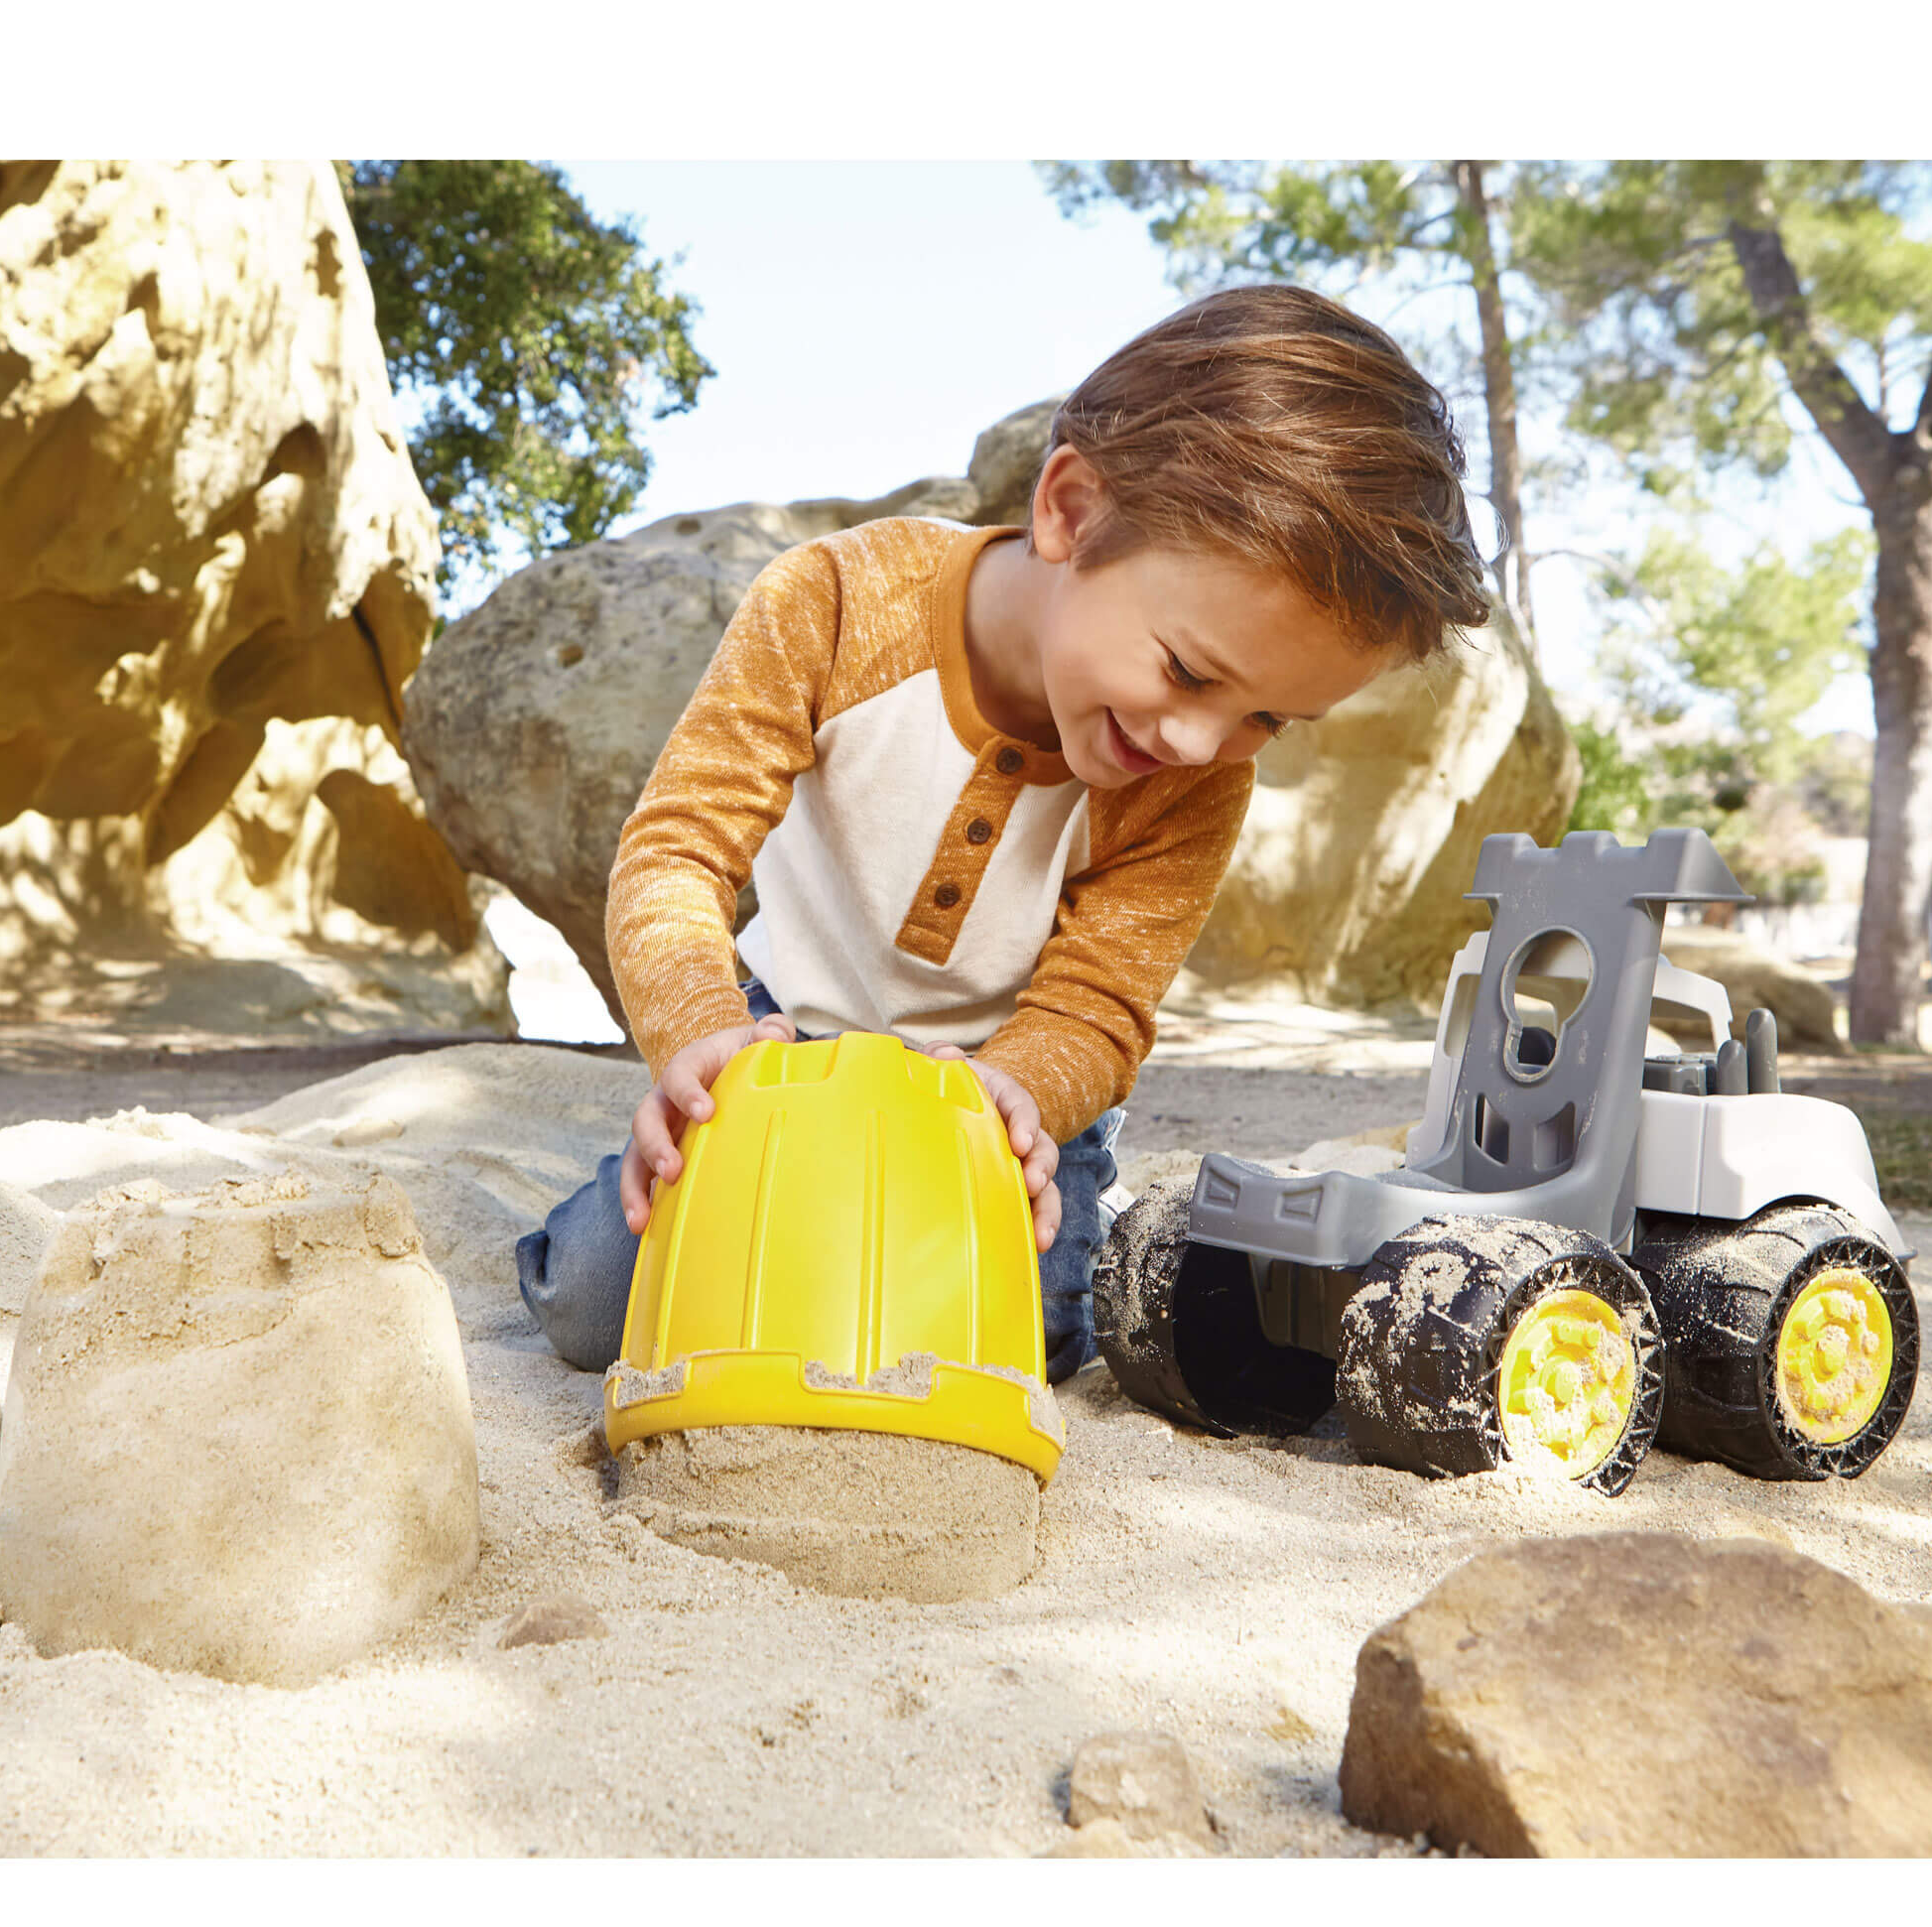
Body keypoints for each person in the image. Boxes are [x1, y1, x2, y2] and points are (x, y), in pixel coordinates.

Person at [517, 283, 1492, 1382]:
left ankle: (1092, 1206)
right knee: (594, 1304)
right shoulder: (835, 603)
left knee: (1025, 1339)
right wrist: (701, 1034)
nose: (1198, 741)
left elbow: (1098, 1003)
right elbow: (677, 850)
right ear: (1070, 511)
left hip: (997, 1091)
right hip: (779, 1043)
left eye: (1267, 719)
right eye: (1187, 671)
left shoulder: (1195, 780)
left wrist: (1016, 1093)